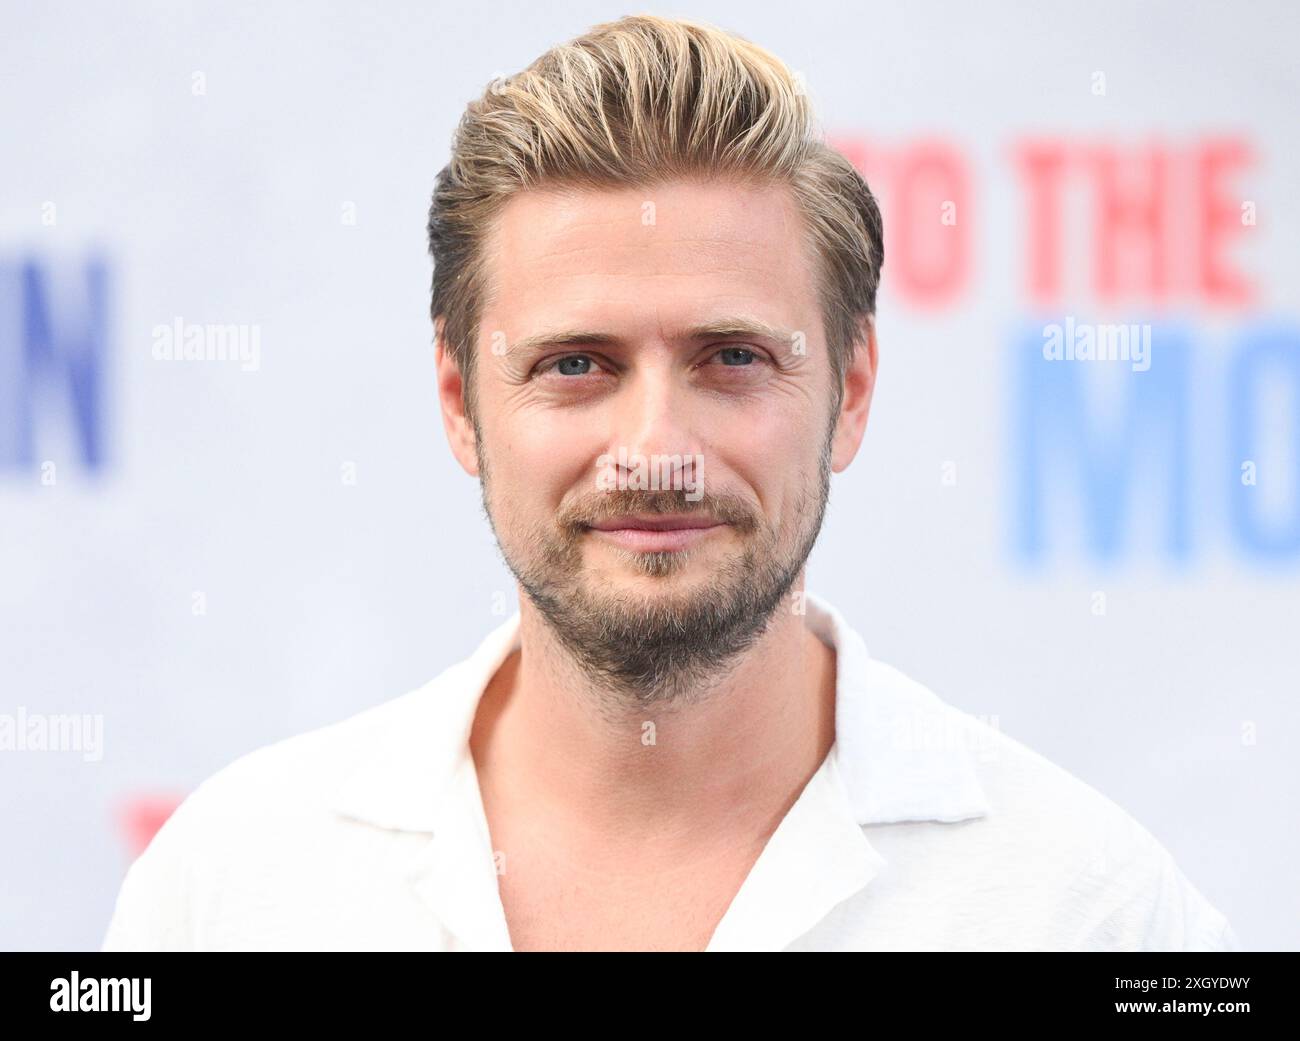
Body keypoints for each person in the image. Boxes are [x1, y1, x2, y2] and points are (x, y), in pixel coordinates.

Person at [101, 14, 1238, 952]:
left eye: (731, 359)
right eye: (576, 366)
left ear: (850, 390)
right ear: (460, 404)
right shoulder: (230, 888)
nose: (656, 449)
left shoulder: (1092, 913)